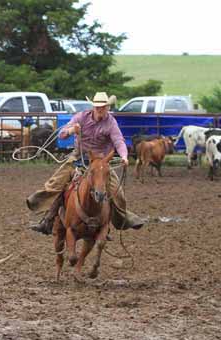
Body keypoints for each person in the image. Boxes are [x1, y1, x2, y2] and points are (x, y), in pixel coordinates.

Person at [26, 92, 145, 235]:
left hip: (101, 162)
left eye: (103, 107)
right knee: (56, 184)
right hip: (79, 158)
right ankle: (47, 220)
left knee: (117, 192)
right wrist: (71, 130)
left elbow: (118, 140)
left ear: (107, 107)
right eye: (97, 107)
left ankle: (121, 219)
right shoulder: (81, 117)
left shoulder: (111, 122)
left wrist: (124, 156)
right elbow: (62, 134)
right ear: (93, 107)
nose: (100, 109)